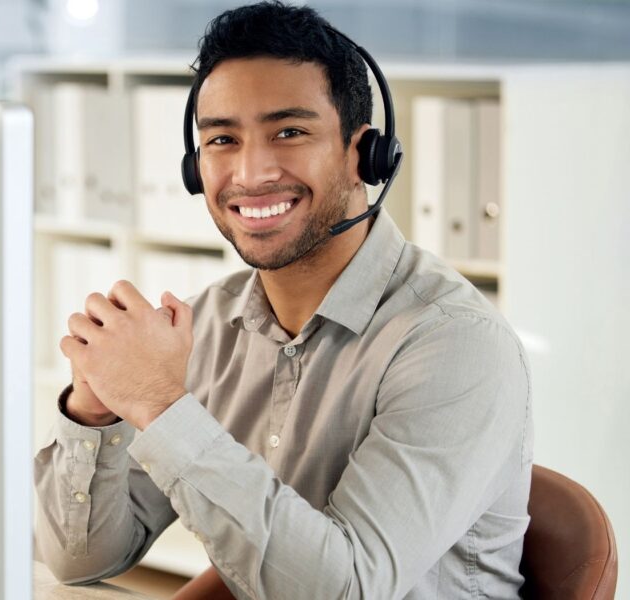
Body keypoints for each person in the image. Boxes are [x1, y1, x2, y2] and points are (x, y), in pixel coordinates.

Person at [34, 2, 533, 598]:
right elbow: (79, 561)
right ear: (196, 169)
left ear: (364, 154)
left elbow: (343, 589)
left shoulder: (453, 343)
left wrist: (162, 406)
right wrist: (98, 411)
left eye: (289, 132)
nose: (250, 172)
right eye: (222, 139)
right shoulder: (211, 326)